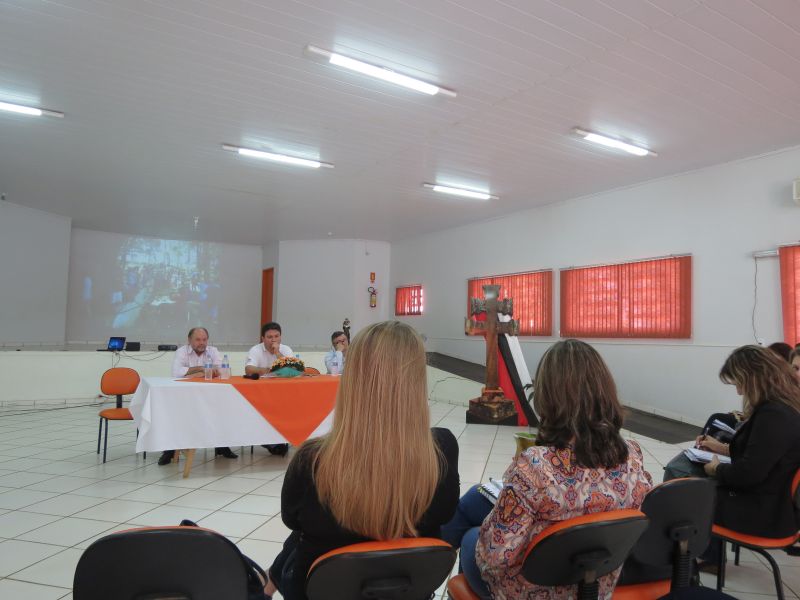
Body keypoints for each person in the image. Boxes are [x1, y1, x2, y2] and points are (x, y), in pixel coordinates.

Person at [262, 321, 459, 600]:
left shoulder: (311, 459)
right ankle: (268, 580)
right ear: (416, 379)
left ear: (353, 378)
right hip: (407, 590)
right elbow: (446, 514)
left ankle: (266, 582)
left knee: (299, 538)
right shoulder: (443, 448)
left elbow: (292, 519)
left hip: (321, 590)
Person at [442, 339, 652, 599]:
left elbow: (493, 559)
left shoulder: (535, 466)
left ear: (547, 397)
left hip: (531, 590)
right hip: (598, 584)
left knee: (471, 537)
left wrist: (494, 518)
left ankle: (422, 569)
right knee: (476, 498)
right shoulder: (632, 455)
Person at [697, 345, 800, 566]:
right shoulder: (782, 407)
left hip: (762, 513)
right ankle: (700, 557)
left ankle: (693, 561)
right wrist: (722, 449)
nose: (738, 392)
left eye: (738, 383)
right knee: (688, 480)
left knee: (682, 494)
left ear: (753, 378)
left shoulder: (774, 415)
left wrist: (716, 468)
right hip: (769, 502)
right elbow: (759, 456)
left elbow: (748, 474)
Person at [159, 327, 237, 466]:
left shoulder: (213, 351)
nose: (202, 343)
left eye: (204, 339)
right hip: (184, 396)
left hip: (210, 395)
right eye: (198, 339)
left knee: (223, 410)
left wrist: (193, 373)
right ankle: (169, 451)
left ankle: (221, 446)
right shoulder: (182, 352)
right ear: (189, 340)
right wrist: (202, 369)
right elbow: (176, 373)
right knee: (174, 414)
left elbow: (221, 371)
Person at [246, 322, 293, 455]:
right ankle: (268, 440)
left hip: (283, 392)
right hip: (261, 393)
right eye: (270, 337)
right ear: (263, 338)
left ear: (281, 337)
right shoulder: (256, 350)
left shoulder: (286, 349)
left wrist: (277, 353)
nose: (273, 340)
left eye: (276, 336)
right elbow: (249, 369)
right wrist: (269, 370)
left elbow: (293, 369)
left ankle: (282, 438)